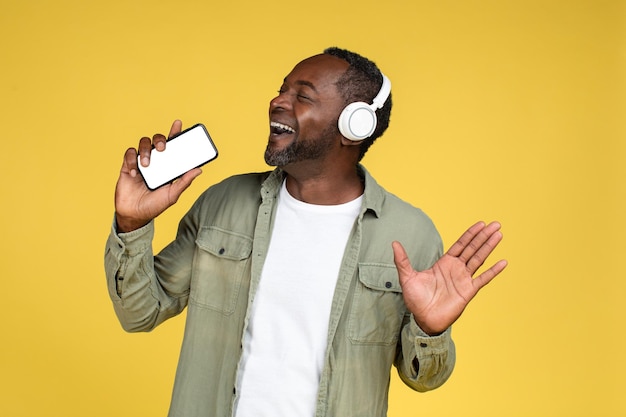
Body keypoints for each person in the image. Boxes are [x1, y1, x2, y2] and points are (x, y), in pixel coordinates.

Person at [105, 47, 507, 417]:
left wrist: (430, 330)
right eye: (282, 90)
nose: (278, 101)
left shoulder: (409, 234)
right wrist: (131, 223)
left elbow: (426, 378)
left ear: (355, 124)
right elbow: (140, 312)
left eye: (303, 96)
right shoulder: (224, 204)